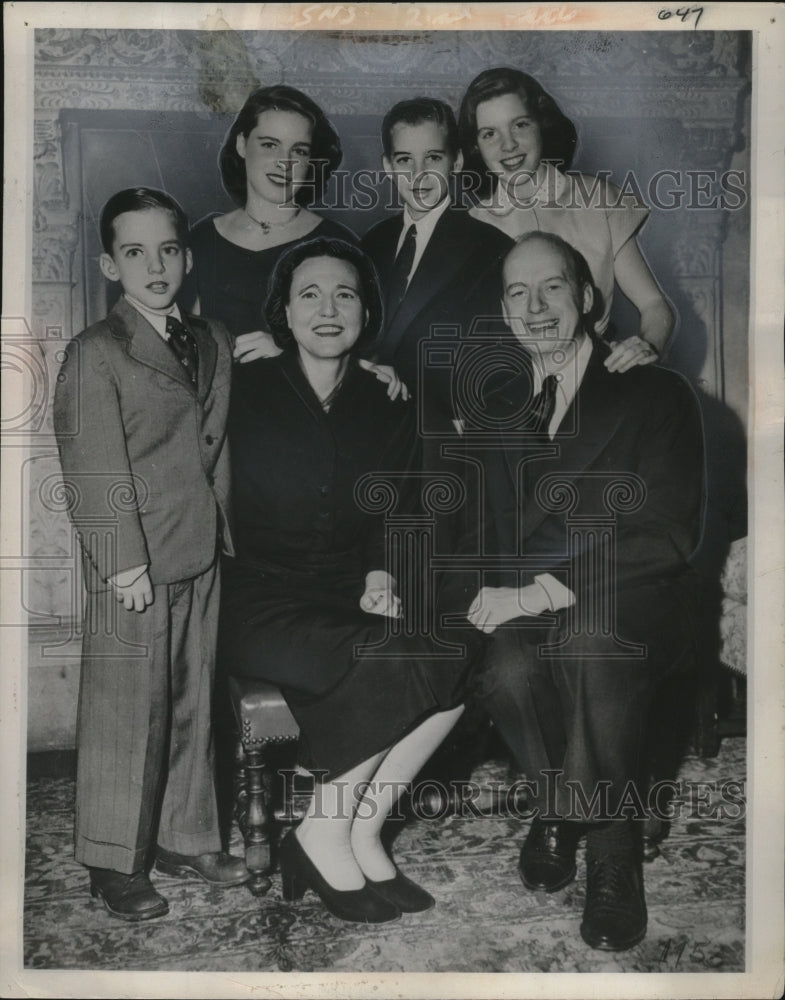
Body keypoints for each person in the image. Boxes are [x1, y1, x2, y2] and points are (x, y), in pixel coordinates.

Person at [442, 232, 704, 950]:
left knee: (593, 643)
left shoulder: (652, 390)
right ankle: (561, 801)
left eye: (551, 287)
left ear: (587, 297)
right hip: (533, 601)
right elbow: (474, 529)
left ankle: (610, 855)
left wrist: (541, 593)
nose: (534, 307)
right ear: (502, 309)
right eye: (517, 293)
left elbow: (668, 533)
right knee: (505, 666)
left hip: (637, 594)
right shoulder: (493, 404)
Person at [219, 237, 479, 924]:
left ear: (366, 311)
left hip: (344, 592)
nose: (328, 309)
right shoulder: (242, 386)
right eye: (309, 294)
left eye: (345, 294)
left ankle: (362, 827)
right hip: (257, 598)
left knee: (453, 656)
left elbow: (390, 509)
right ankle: (320, 830)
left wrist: (377, 572)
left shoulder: (384, 398)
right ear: (282, 312)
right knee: (385, 659)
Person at [52, 188, 248, 922]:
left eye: (167, 248)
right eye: (134, 252)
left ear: (187, 256)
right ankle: (112, 860)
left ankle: (184, 834)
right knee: (126, 711)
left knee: (194, 701)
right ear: (110, 264)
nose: (155, 264)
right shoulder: (95, 354)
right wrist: (123, 565)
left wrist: (222, 529)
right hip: (133, 562)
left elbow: (213, 441)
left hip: (200, 550)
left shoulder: (213, 338)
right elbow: (92, 465)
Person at [458, 67, 675, 373]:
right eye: (489, 134)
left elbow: (655, 306)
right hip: (512, 392)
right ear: (475, 146)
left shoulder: (599, 200)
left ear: (541, 125)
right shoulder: (470, 228)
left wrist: (646, 346)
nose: (508, 145)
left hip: (596, 381)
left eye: (519, 125)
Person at [361, 97, 513, 430]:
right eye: (404, 160)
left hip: (446, 439)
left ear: (456, 162)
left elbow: (507, 366)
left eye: (432, 158)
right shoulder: (372, 242)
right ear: (387, 166)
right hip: (367, 429)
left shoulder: (493, 248)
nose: (418, 175)